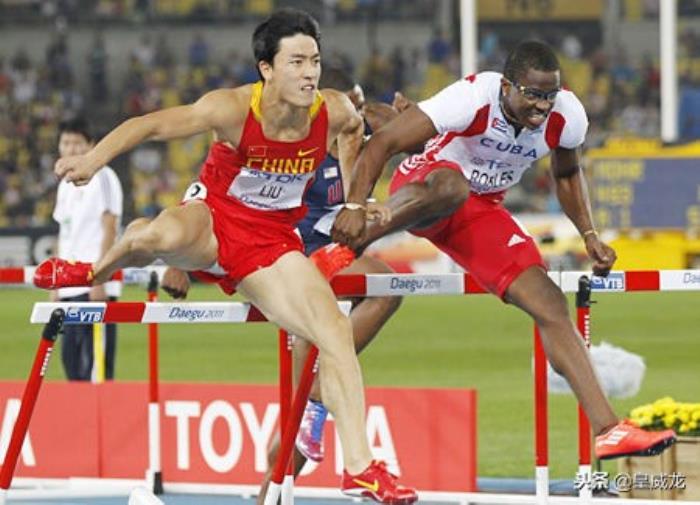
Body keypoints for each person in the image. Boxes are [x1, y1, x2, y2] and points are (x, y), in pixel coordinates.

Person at [34, 9, 416, 504]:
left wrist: (352, 201)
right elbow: (149, 125)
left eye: (315, 61)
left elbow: (353, 132)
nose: (309, 74)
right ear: (267, 69)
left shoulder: (335, 109)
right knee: (154, 237)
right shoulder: (231, 108)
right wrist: (92, 160)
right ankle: (93, 270)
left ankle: (361, 469)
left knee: (334, 330)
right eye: (297, 62)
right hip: (214, 224)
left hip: (271, 244)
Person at [330, 40, 677, 460]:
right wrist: (354, 207)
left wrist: (588, 233)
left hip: (481, 212)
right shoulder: (472, 96)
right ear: (507, 87)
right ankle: (345, 246)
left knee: (549, 300)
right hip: (429, 184)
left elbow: (567, 174)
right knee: (453, 186)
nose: (542, 106)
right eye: (532, 94)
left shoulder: (568, 117)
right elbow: (383, 142)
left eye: (549, 95)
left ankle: (608, 430)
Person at [160, 68, 409, 501]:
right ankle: (277, 473)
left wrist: (412, 119)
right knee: (297, 424)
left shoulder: (359, 139)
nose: (355, 116)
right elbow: (215, 185)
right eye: (348, 104)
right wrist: (179, 261)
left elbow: (412, 134)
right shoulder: (291, 139)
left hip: (330, 263)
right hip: (289, 266)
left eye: (358, 105)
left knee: (385, 288)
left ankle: (317, 395)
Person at [51, 118, 123, 381]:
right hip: (69, 286)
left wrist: (99, 278)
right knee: (71, 363)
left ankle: (101, 411)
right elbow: (64, 234)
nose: (70, 149)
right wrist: (56, 285)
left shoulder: (104, 176)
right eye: (66, 142)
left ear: (91, 146)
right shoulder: (64, 186)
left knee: (96, 366)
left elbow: (110, 228)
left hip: (93, 282)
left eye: (77, 143)